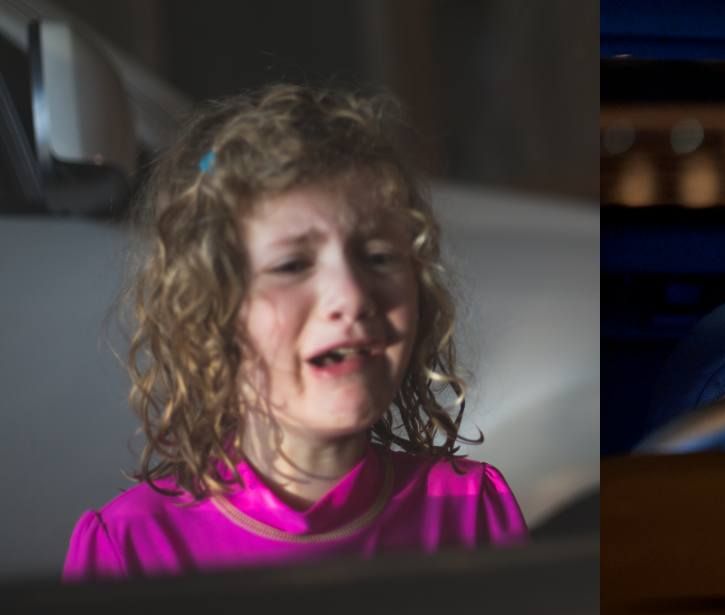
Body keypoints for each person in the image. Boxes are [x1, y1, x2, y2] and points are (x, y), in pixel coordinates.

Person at [63, 84, 527, 579]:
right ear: (209, 311)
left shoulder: (471, 512)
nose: (351, 296)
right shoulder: (132, 549)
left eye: (379, 258)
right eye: (291, 264)